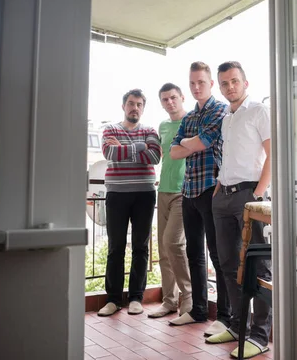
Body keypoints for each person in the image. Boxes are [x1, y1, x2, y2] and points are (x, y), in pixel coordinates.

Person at [206, 61, 272, 359]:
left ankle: (259, 336)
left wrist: (257, 195)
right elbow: (230, 158)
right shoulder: (226, 119)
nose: (229, 86)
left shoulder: (259, 110)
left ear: (245, 83)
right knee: (227, 263)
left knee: (258, 266)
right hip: (223, 196)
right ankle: (236, 326)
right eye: (224, 83)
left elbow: (274, 154)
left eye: (234, 81)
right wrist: (219, 187)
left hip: (249, 194)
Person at [168, 61, 231, 337]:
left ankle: (226, 317)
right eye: (192, 83)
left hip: (210, 189)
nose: (196, 87)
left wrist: (188, 144)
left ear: (211, 84)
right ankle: (199, 310)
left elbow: (201, 144)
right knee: (194, 253)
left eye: (201, 83)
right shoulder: (189, 117)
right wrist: (188, 143)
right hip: (189, 191)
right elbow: (173, 152)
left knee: (218, 254)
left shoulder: (220, 110)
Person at [97, 89, 162, 317]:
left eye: (139, 105)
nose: (135, 108)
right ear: (124, 106)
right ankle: (113, 300)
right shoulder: (110, 129)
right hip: (117, 193)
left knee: (141, 247)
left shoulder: (150, 130)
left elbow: (155, 157)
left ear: (143, 108)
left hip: (144, 194)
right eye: (131, 104)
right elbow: (109, 153)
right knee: (116, 248)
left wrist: (126, 149)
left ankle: (136, 298)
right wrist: (140, 147)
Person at [148, 83, 193, 318]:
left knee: (173, 243)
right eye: (165, 99)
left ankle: (188, 298)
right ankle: (169, 301)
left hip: (183, 192)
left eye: (173, 98)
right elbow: (163, 155)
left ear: (182, 97)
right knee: (164, 249)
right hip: (162, 191)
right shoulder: (163, 126)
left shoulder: (192, 121)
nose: (170, 102)